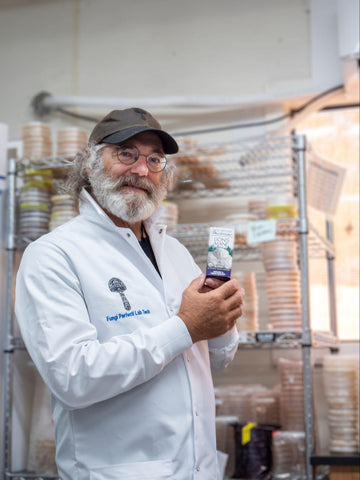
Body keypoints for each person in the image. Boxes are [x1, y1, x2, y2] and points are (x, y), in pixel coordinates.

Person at [15, 108, 244, 480]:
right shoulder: (54, 255)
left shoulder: (176, 254)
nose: (141, 169)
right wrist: (185, 326)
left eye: (154, 159)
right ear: (90, 164)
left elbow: (211, 363)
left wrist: (220, 321)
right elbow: (72, 377)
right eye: (126, 153)